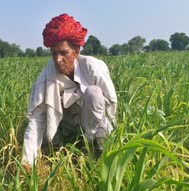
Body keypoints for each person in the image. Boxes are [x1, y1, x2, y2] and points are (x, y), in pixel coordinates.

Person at [22, 13, 117, 167]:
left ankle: (94, 147)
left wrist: (108, 138)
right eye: (54, 53)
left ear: (76, 51)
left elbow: (110, 105)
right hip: (64, 126)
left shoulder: (92, 67)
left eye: (64, 53)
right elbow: (37, 118)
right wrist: (27, 162)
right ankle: (59, 146)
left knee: (94, 93)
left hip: (93, 124)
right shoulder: (47, 75)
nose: (58, 59)